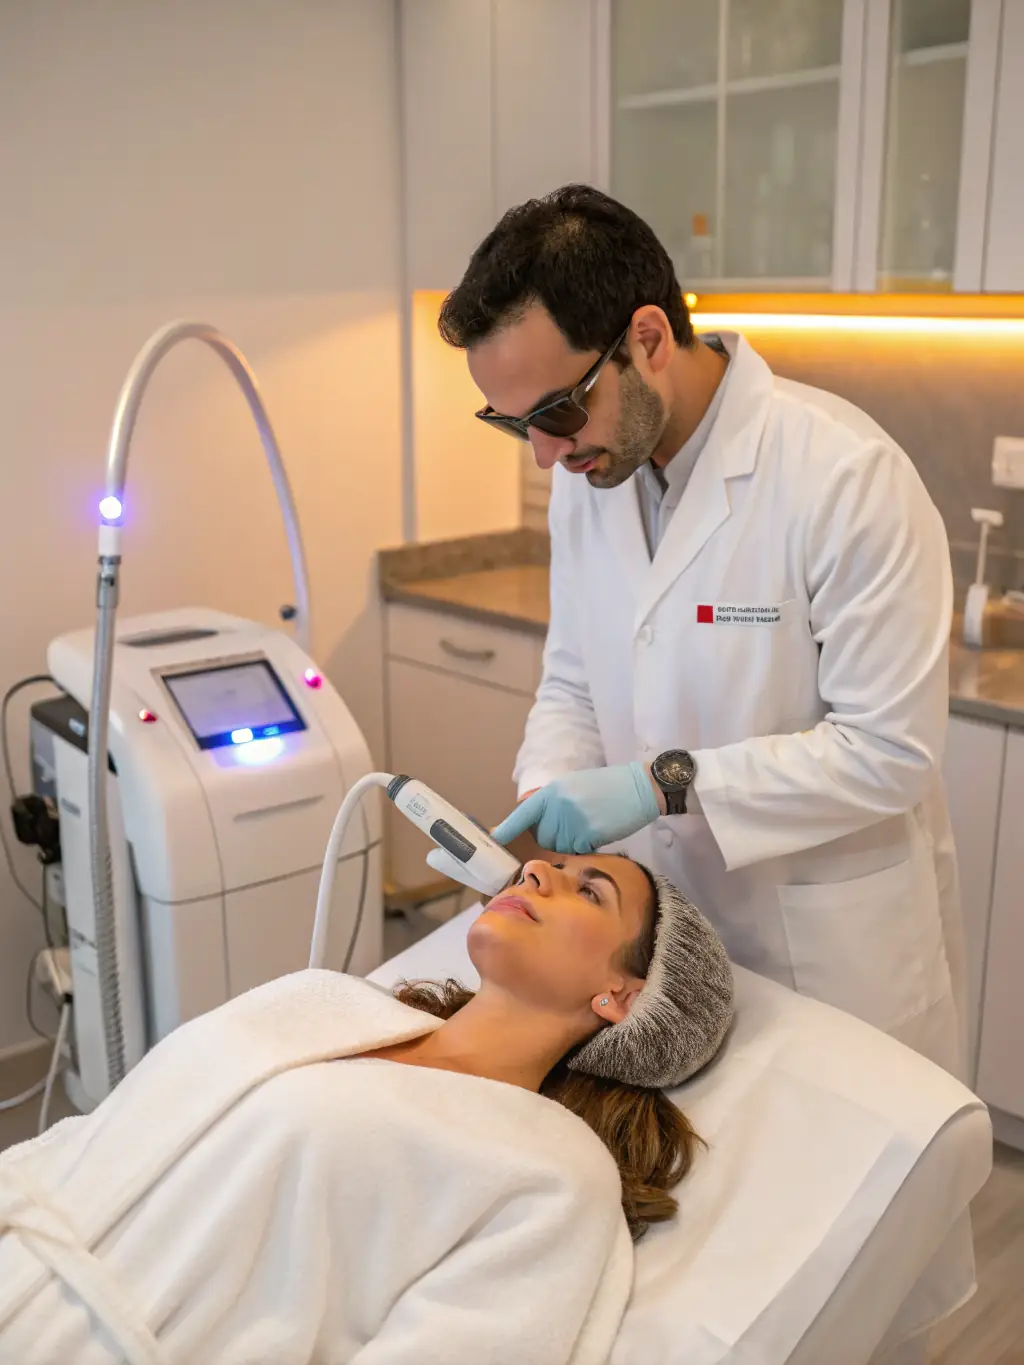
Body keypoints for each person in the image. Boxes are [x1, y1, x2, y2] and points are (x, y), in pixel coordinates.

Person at [439, 184, 965, 1080]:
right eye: (513, 423)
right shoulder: (589, 479)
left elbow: (890, 749)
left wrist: (661, 785)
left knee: (846, 1203)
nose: (545, 455)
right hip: (660, 961)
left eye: (557, 412)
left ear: (647, 339)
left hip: (825, 956)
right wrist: (551, 796)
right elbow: (572, 678)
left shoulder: (844, 477)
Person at [0, 855, 733, 1365]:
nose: (536, 868)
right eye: (552, 865)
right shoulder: (327, 1001)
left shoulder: (555, 1174)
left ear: (625, 995)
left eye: (589, 890)